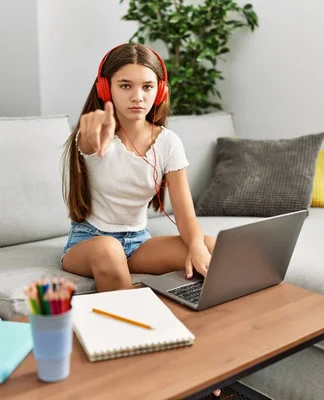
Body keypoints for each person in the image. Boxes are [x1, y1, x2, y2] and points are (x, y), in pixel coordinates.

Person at [61, 44, 222, 396]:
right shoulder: (94, 135)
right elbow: (89, 146)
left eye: (147, 86)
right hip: (89, 241)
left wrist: (195, 246)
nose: (138, 96)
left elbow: (185, 212)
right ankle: (140, 369)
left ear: (159, 90)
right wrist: (90, 136)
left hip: (137, 241)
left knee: (211, 248)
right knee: (107, 250)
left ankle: (209, 357)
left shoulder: (168, 142)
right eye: (125, 86)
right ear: (106, 89)